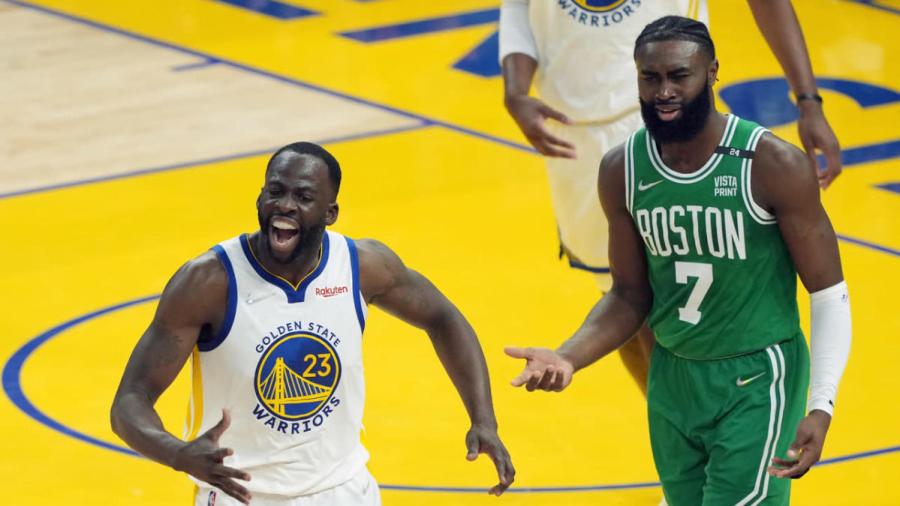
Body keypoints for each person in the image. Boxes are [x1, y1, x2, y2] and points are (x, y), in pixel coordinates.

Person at [505, 17, 851, 505]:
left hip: (755, 379)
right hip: (672, 379)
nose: (664, 91)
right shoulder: (622, 169)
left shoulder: (771, 164)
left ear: (711, 73)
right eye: (650, 78)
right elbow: (628, 295)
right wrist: (568, 356)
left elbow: (828, 292)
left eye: (678, 76)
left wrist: (821, 404)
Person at [110, 142, 515, 505]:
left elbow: (443, 318)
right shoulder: (209, 282)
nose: (285, 205)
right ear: (260, 197)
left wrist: (484, 420)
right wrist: (176, 453)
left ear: (330, 212)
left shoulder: (362, 266)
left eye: (303, 197)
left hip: (344, 490)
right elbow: (130, 400)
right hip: (243, 494)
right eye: (275, 191)